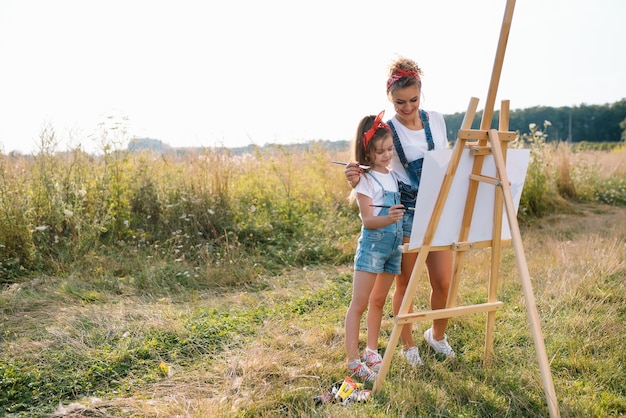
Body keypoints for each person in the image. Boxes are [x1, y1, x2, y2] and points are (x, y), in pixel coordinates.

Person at [345, 57, 456, 367]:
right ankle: (408, 346)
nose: (407, 108)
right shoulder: (388, 128)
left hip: (437, 208)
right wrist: (355, 176)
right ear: (389, 98)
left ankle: (436, 335)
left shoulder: (436, 120)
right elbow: (372, 162)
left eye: (413, 100)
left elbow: (445, 161)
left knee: (443, 281)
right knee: (405, 283)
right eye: (399, 102)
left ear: (421, 93)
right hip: (406, 212)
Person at [344, 110, 406, 382]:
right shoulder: (365, 181)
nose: (386, 155)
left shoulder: (392, 176)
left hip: (393, 248)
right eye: (379, 151)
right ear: (367, 153)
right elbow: (368, 220)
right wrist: (389, 217)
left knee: (379, 301)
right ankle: (353, 361)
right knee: (359, 304)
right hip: (373, 247)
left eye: (390, 149)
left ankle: (371, 350)